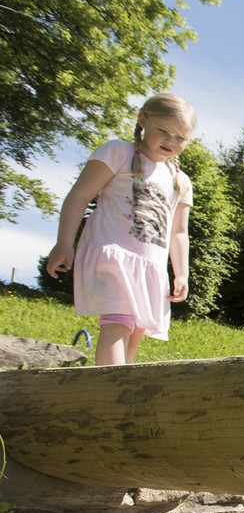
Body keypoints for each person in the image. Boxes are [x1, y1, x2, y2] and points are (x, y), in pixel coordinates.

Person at [45, 93, 196, 367]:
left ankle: (116, 387)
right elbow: (79, 195)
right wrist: (64, 242)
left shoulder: (180, 180)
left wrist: (182, 272)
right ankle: (109, 387)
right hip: (113, 254)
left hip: (150, 266)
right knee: (119, 322)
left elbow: (178, 232)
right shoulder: (118, 152)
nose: (171, 141)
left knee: (136, 330)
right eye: (163, 131)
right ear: (143, 120)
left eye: (180, 137)